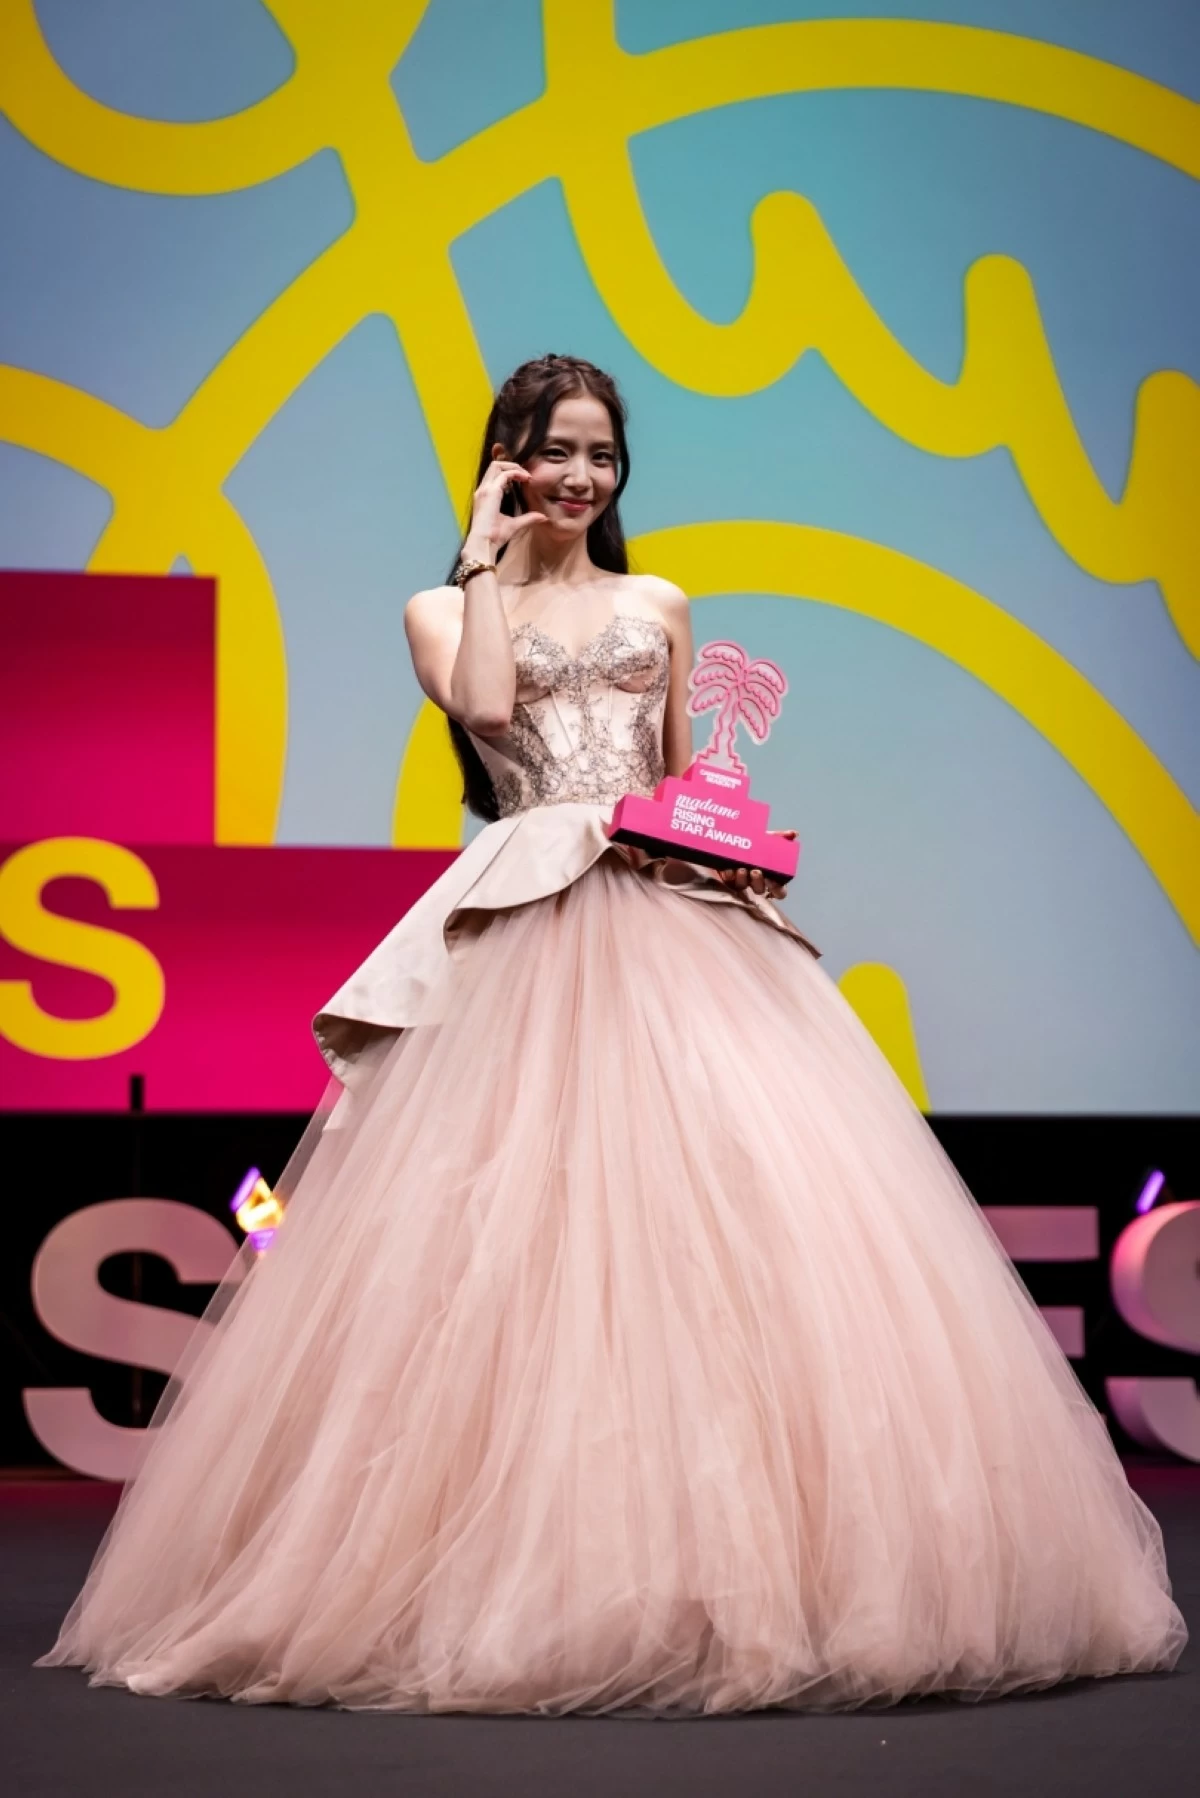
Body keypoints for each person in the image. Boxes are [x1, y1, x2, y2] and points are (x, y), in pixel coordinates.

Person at [39, 354, 1186, 1714]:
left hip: (669, 920)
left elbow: (681, 769)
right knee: (511, 1243)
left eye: (601, 455)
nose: (581, 477)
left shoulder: (660, 600)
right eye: (552, 452)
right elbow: (477, 713)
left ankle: (751, 1577)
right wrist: (481, 559)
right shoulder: (440, 605)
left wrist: (735, 843)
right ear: (503, 461)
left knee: (740, 1229)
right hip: (527, 921)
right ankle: (499, 1573)